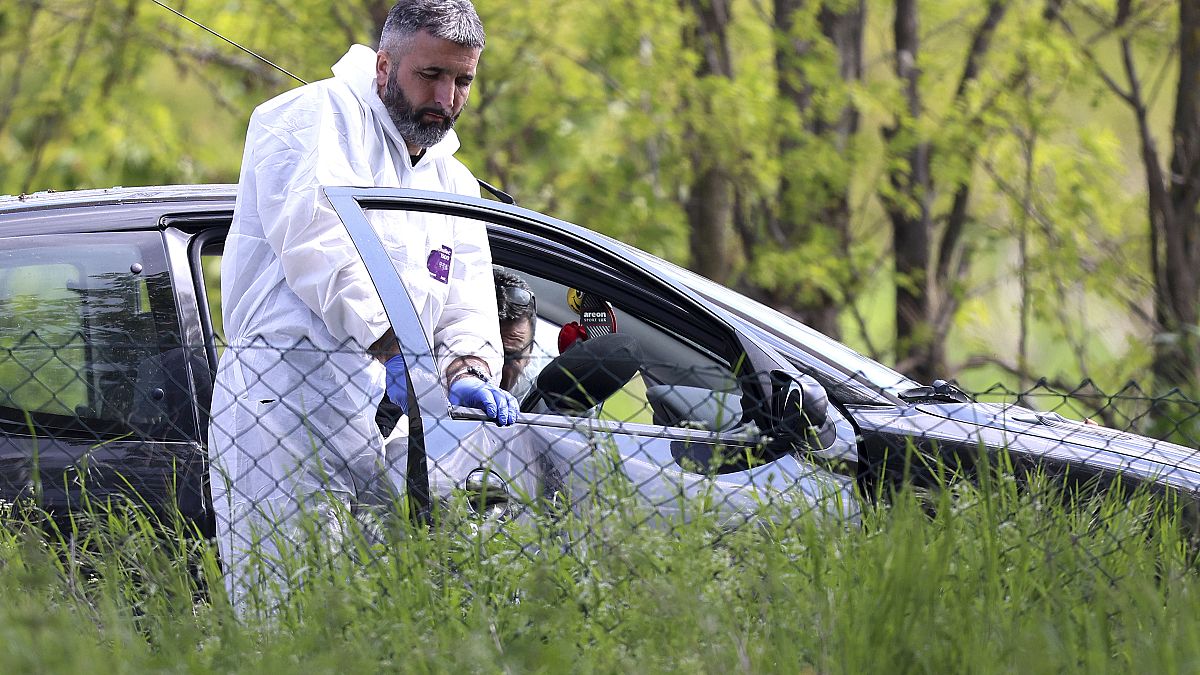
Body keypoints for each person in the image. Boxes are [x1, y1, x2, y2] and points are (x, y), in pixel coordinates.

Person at [207, 0, 517, 603]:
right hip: (282, 409)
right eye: (431, 75)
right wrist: (394, 345)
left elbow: (467, 295)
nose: (447, 99)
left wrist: (468, 368)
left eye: (463, 81)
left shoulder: (451, 179)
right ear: (383, 66)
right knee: (288, 617)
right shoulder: (309, 117)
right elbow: (318, 245)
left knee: (370, 627)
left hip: (383, 423)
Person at [493, 266, 539, 400]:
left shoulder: (537, 397)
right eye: (480, 350)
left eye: (509, 357)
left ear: (530, 353)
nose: (493, 367)